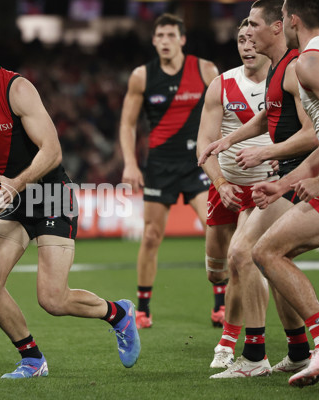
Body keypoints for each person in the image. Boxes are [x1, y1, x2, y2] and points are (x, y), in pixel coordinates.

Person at [0, 19, 140, 379]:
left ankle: (119, 314)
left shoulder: (17, 89)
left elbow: (53, 151)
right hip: (6, 198)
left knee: (53, 300)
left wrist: (15, 184)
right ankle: (32, 359)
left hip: (49, 193)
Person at [199, 0, 318, 379]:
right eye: (243, 28)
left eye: (253, 24)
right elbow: (269, 115)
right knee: (262, 260)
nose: (246, 33)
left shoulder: (296, 68)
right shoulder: (278, 71)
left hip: (296, 175)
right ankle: (300, 349)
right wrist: (226, 142)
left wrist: (265, 152)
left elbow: (314, 133)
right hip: (268, 177)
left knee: (244, 253)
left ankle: (254, 356)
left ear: (278, 27)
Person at [251, 0, 319, 388]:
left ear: (292, 20)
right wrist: (284, 184)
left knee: (265, 251)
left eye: (283, 16)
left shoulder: (306, 62)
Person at [118, 13, 221, 329]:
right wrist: (131, 163)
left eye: (170, 35)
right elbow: (128, 123)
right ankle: (143, 308)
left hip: (197, 164)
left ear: (182, 39)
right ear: (153, 40)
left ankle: (222, 303)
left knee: (214, 228)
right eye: (159, 35)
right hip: (160, 166)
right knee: (151, 236)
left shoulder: (205, 70)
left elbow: (221, 114)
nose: (164, 41)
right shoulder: (142, 76)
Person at [196, 17, 273, 369]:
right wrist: (222, 184)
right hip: (225, 189)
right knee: (216, 271)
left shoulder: (285, 82)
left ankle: (229, 341)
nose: (246, 46)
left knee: (241, 260)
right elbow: (204, 145)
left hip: (264, 191)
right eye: (240, 40)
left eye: (252, 39)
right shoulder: (221, 85)